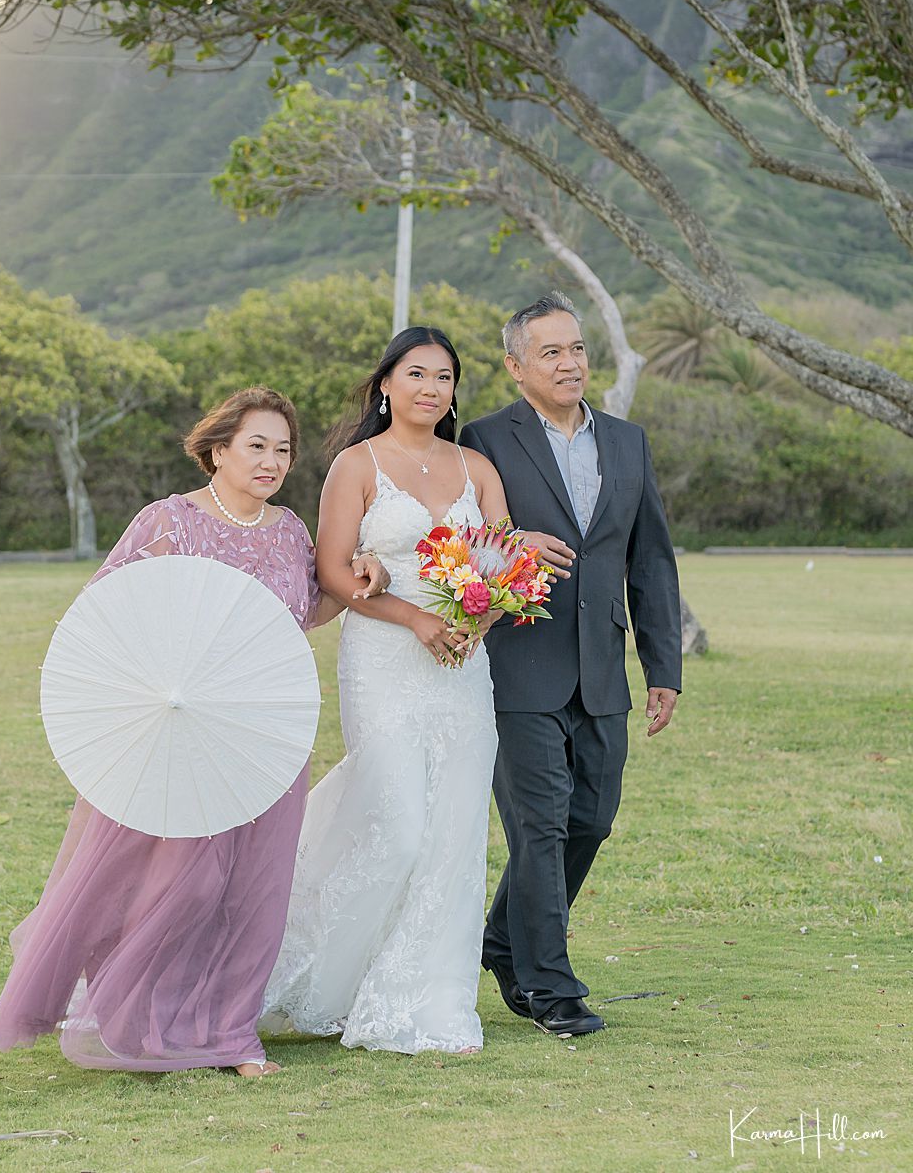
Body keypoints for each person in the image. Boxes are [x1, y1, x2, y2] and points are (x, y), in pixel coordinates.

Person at [0, 386, 384, 1077]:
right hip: (180, 732)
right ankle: (141, 1019)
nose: (271, 461)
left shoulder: (289, 530)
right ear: (219, 450)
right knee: (184, 883)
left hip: (266, 732)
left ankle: (232, 1035)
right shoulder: (169, 522)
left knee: (254, 888)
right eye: (256, 446)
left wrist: (357, 579)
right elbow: (107, 607)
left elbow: (302, 610)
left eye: (282, 450)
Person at [261, 326, 568, 1055]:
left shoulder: (477, 467)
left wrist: (477, 622)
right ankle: (304, 971)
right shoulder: (355, 466)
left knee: (454, 834)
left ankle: (421, 1002)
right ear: (387, 385)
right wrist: (413, 618)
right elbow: (335, 571)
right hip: (383, 660)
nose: (432, 389)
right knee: (396, 826)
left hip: (464, 670)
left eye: (445, 378)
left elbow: (504, 566)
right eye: (417, 374)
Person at [459, 291, 683, 1036]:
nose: (570, 362)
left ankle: (500, 943)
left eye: (577, 349)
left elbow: (648, 557)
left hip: (601, 668)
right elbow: (457, 545)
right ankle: (552, 991)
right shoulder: (484, 438)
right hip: (516, 659)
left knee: (592, 817)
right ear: (516, 366)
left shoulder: (627, 441)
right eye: (551, 351)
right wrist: (513, 543)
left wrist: (663, 666)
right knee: (540, 826)